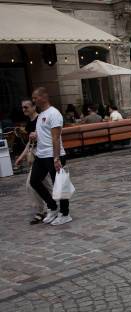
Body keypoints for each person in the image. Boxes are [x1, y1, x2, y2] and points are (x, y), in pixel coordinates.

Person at [29, 87, 72, 225]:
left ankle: (65, 214)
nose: (34, 100)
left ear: (44, 97)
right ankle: (52, 207)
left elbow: (55, 138)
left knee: (59, 184)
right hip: (41, 155)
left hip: (53, 155)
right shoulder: (41, 115)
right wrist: (35, 135)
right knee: (34, 181)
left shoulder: (54, 113)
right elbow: (43, 134)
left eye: (35, 98)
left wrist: (56, 158)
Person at [14, 99, 52, 224]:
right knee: (43, 184)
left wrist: (37, 135)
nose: (24, 109)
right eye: (23, 107)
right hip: (36, 155)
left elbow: (50, 136)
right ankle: (49, 207)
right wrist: (21, 157)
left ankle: (46, 209)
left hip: (44, 155)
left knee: (32, 183)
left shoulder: (41, 119)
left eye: (26, 107)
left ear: (34, 107)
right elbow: (30, 144)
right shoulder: (29, 123)